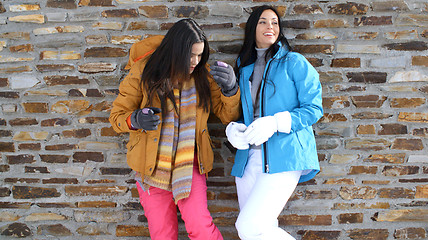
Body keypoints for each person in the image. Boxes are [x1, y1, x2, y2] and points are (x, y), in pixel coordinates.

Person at [109, 18, 240, 240]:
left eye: (200, 55)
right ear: (176, 49)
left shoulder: (203, 75)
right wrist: (137, 120)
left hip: (190, 164)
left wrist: (231, 89)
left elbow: (227, 115)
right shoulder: (145, 70)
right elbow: (117, 117)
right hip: (150, 167)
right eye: (190, 55)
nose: (195, 61)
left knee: (200, 227)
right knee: (163, 234)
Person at [225, 5, 323, 240]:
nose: (270, 27)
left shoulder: (294, 62)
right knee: (257, 233)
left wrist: (275, 123)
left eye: (275, 22)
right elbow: (247, 113)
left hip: (285, 155)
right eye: (263, 22)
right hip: (248, 158)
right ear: (252, 28)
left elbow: (314, 108)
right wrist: (234, 129)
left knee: (248, 226)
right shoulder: (244, 67)